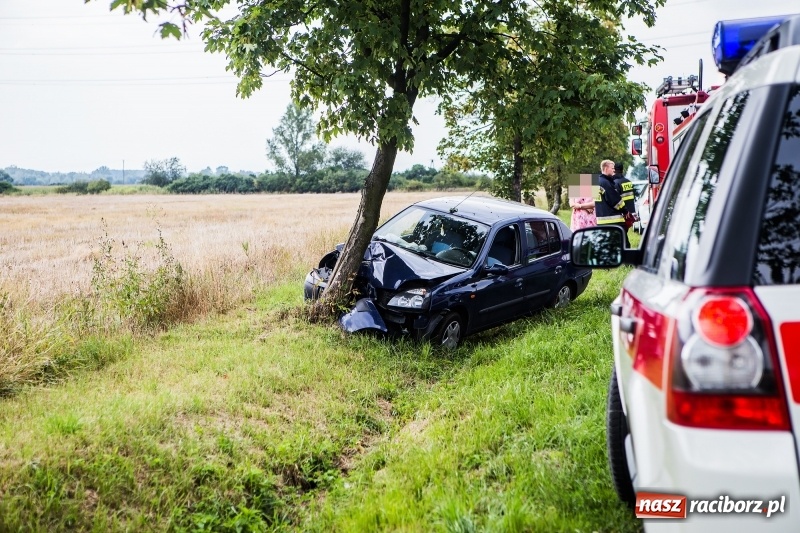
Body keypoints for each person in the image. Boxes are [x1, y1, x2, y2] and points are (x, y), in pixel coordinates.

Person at [595, 159, 629, 246]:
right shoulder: (606, 183)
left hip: (601, 223)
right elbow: (615, 201)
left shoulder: (596, 181)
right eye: (612, 168)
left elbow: (573, 185)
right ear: (606, 168)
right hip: (614, 222)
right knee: (624, 246)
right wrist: (625, 211)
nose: (614, 170)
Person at [612, 162, 636, 241]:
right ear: (622, 170)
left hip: (622, 213)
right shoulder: (628, 181)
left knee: (621, 237)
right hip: (630, 213)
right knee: (624, 234)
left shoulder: (615, 183)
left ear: (614, 170)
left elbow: (615, 200)